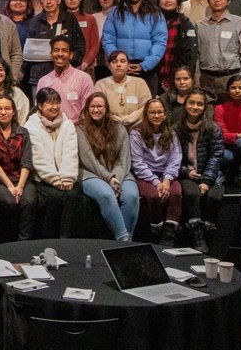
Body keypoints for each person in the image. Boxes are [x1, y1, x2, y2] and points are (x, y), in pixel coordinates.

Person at [76, 93, 138, 242]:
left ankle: (127, 239)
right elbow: (89, 160)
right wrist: (108, 178)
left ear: (106, 108)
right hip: (90, 173)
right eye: (92, 106)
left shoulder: (119, 128)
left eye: (100, 106)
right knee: (106, 195)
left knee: (132, 196)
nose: (96, 110)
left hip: (120, 172)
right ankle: (123, 239)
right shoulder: (80, 129)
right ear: (87, 109)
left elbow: (123, 158)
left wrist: (116, 177)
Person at [24, 88, 81, 238]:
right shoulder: (31, 126)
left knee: (74, 195)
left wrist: (67, 176)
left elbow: (70, 152)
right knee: (54, 198)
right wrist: (55, 179)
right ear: (40, 106)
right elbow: (39, 157)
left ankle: (65, 238)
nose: (54, 106)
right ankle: (48, 240)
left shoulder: (67, 124)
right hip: (42, 179)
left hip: (65, 177)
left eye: (57, 103)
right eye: (50, 103)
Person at [175, 90, 224, 253]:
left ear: (204, 107)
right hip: (186, 174)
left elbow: (216, 156)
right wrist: (186, 172)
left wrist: (207, 181)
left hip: (209, 175)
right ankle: (198, 237)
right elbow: (172, 158)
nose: (195, 107)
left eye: (199, 104)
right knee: (190, 193)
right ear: (185, 104)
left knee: (213, 196)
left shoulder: (213, 128)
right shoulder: (176, 128)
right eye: (191, 103)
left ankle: (211, 238)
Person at [0, 95, 35, 242]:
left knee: (28, 202)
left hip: (21, 178)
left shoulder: (22, 132)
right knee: (9, 202)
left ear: (13, 112)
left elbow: (26, 161)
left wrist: (20, 186)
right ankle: (7, 243)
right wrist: (11, 186)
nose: (3, 112)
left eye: (7, 108)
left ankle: (23, 243)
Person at [101, 0, 167, 94]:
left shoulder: (155, 13)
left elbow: (160, 42)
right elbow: (108, 39)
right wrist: (119, 62)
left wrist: (145, 65)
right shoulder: (115, 12)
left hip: (147, 71)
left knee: (147, 108)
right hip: (121, 69)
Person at [130, 98, 182, 246]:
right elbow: (137, 163)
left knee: (176, 193)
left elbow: (175, 159)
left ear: (165, 115)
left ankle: (169, 235)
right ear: (146, 115)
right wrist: (155, 181)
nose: (156, 115)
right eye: (152, 112)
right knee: (153, 195)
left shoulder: (171, 133)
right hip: (145, 176)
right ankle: (156, 229)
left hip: (166, 174)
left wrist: (166, 179)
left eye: (160, 112)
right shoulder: (136, 133)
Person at [195, 0, 241, 102]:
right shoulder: (200, 25)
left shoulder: (240, 23)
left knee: (231, 116)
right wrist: (196, 78)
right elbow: (196, 55)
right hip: (206, 79)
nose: (216, 0)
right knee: (208, 116)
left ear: (228, 0)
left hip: (231, 78)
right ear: (208, 0)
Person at [22, 0, 84, 88]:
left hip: (67, 76)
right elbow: (28, 53)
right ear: (40, 2)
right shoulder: (33, 22)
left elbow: (80, 45)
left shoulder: (69, 19)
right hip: (40, 78)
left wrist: (72, 60)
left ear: (59, 0)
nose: (48, 2)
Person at [33, 37, 94, 122]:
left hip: (77, 130)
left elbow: (88, 111)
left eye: (64, 50)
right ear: (51, 54)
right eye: (56, 50)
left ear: (71, 55)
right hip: (49, 130)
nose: (60, 54)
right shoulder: (43, 81)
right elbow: (39, 111)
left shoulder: (84, 79)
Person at [156, 0, 199, 91]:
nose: (167, 0)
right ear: (158, 0)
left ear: (178, 1)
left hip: (177, 77)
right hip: (154, 75)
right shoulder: (151, 21)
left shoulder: (184, 23)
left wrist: (179, 76)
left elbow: (190, 54)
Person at [94, 50, 152, 128]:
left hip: (137, 128)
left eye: (122, 61)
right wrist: (116, 120)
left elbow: (146, 106)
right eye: (114, 62)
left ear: (128, 65)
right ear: (109, 66)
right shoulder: (101, 85)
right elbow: (98, 108)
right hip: (109, 128)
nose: (118, 65)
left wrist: (127, 119)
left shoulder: (140, 83)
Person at [63, 0, 99, 77]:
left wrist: (85, 63)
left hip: (85, 67)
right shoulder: (60, 19)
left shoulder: (90, 19)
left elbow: (94, 46)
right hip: (63, 66)